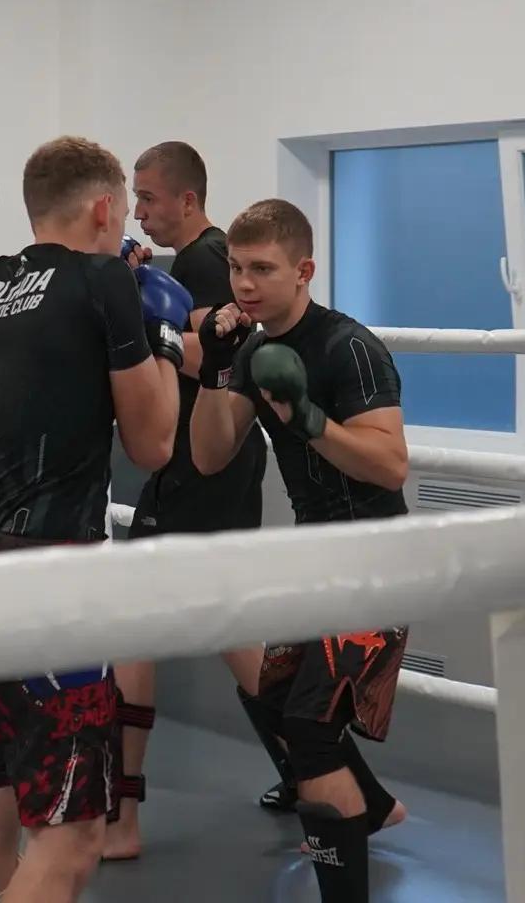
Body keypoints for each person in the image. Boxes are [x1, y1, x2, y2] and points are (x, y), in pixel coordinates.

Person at [0, 136, 186, 903]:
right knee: (74, 838)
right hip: (57, 586)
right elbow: (153, 445)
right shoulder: (103, 281)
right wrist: (164, 338)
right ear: (104, 209)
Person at [188, 198, 411, 903]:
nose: (244, 283)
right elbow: (208, 455)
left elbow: (390, 466)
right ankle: (374, 806)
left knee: (309, 732)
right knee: (274, 696)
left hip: (377, 560)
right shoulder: (252, 351)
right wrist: (214, 369)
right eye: (236, 268)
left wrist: (308, 418)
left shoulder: (349, 347)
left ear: (304, 271)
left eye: (262, 268)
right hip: (314, 558)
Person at [103, 141, 275, 861]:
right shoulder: (203, 258)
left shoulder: (206, 259)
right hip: (212, 456)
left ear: (188, 200)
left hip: (201, 460)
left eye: (147, 198)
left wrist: (147, 315)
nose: (139, 213)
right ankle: (328, 778)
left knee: (135, 625)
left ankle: (121, 818)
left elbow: (212, 352)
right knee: (230, 623)